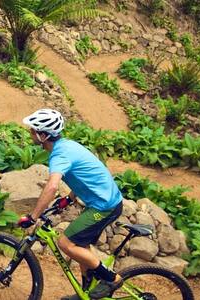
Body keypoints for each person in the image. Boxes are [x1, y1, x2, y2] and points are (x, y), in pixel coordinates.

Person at [17, 109, 125, 300]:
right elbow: (85, 175)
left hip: (104, 206)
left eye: (33, 130)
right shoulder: (67, 145)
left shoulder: (60, 155)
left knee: (66, 243)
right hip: (104, 201)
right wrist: (70, 198)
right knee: (80, 245)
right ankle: (86, 293)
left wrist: (33, 217)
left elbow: (52, 187)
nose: (30, 133)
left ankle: (111, 279)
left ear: (43, 136)